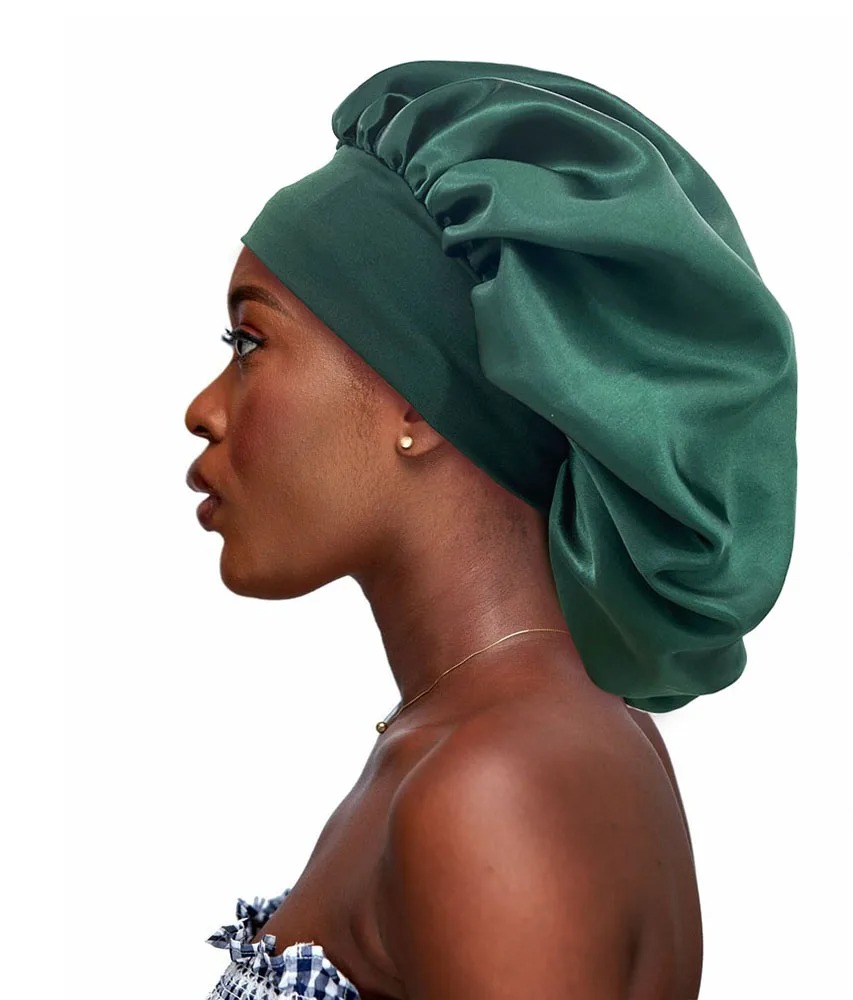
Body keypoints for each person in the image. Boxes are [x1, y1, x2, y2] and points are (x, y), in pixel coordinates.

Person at [185, 59, 797, 1000]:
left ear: (417, 402)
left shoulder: (493, 783)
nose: (203, 409)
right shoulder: (493, 739)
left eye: (250, 343)